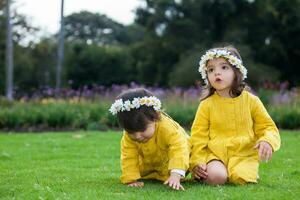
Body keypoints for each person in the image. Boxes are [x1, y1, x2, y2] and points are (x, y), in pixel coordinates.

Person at [190, 46, 281, 185]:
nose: (216, 73)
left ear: (236, 72)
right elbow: (198, 136)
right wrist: (198, 161)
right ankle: (214, 172)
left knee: (241, 178)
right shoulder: (206, 104)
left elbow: (267, 126)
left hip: (244, 155)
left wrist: (267, 140)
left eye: (224, 67)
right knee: (217, 177)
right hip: (215, 155)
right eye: (211, 70)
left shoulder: (252, 101)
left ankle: (238, 171)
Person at [109, 88, 190, 190]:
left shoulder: (167, 128)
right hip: (149, 167)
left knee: (191, 155)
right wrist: (131, 179)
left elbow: (179, 148)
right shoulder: (128, 137)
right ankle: (154, 174)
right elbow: (128, 156)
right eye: (131, 132)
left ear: (156, 117)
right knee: (139, 164)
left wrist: (175, 174)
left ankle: (190, 170)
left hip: (176, 161)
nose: (137, 136)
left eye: (142, 130)